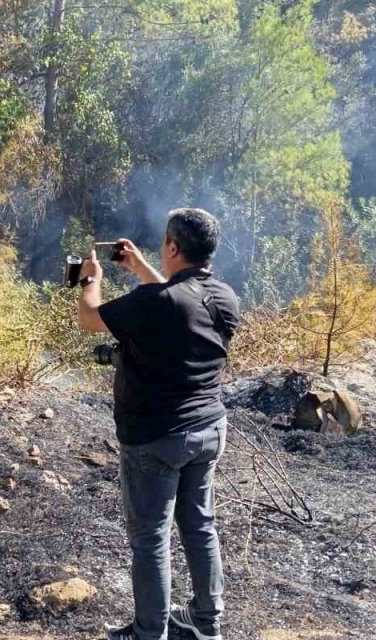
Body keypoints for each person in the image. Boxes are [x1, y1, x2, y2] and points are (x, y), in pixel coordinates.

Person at [74, 208, 241, 640]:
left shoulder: (156, 302)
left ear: (172, 247)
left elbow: (89, 319)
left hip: (157, 437)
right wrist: (140, 268)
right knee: (200, 524)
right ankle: (207, 623)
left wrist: (90, 279)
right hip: (209, 428)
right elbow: (178, 300)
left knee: (150, 538)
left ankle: (150, 633)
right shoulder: (223, 296)